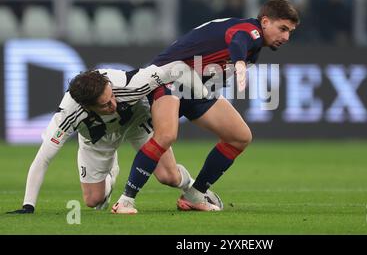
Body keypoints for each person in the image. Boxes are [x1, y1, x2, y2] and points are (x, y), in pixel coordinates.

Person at [112, 0, 299, 213]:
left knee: (239, 136)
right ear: (265, 21)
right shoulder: (251, 32)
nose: (285, 37)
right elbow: (238, 40)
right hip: (170, 78)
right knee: (166, 136)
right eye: (282, 28)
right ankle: (125, 201)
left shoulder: (254, 46)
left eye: (290, 32)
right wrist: (239, 62)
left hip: (197, 89)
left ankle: (195, 195)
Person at [7, 62, 221, 214]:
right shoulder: (69, 113)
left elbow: (178, 69)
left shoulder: (130, 83)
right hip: (97, 139)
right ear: (87, 107)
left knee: (169, 176)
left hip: (137, 120)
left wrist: (202, 93)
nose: (113, 105)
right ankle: (111, 172)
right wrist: (28, 205)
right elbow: (43, 159)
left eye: (111, 97)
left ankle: (195, 190)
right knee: (93, 201)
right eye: (104, 105)